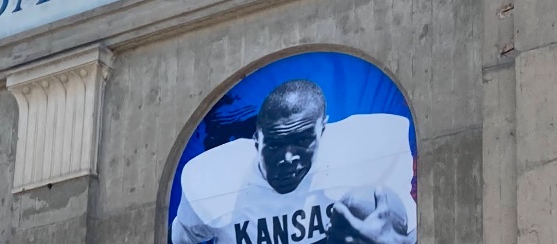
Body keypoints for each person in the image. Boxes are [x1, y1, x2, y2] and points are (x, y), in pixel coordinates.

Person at [170, 80, 415, 244]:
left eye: (302, 141)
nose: (287, 159)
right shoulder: (213, 179)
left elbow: (421, 231)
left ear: (323, 131)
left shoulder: (368, 151)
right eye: (274, 145)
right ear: (256, 141)